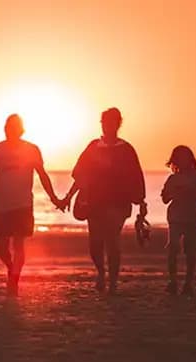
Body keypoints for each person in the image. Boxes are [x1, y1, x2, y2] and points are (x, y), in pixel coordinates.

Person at [62, 108, 147, 294]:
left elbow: (136, 176)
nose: (108, 125)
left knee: (112, 240)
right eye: (105, 122)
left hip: (118, 203)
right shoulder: (93, 147)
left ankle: (113, 281)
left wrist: (141, 201)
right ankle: (101, 272)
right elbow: (80, 176)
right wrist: (68, 196)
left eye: (112, 122)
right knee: (95, 243)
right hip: (94, 202)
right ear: (102, 123)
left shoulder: (126, 149)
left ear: (118, 124)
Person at [0, 114, 63, 296]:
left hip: (23, 204)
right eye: (7, 127)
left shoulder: (31, 150)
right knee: (2, 249)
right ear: (5, 129)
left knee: (19, 245)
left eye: (14, 127)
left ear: (20, 130)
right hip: (1, 205)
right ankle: (11, 268)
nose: (10, 130)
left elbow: (42, 174)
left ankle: (15, 278)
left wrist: (53, 198)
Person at [161, 145, 196, 296]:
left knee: (191, 252)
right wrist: (174, 192)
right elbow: (165, 199)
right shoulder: (173, 178)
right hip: (175, 217)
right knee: (173, 248)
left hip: (192, 217)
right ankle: (173, 281)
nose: (182, 161)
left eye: (185, 157)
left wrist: (195, 188)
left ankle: (188, 283)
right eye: (179, 158)